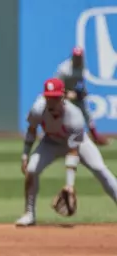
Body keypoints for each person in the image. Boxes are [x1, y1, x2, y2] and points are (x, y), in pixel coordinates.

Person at [16, 77, 117, 227]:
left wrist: (69, 185)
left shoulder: (74, 115)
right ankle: (29, 214)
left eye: (55, 97)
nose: (51, 102)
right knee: (31, 170)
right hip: (50, 142)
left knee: (100, 169)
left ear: (62, 97)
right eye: (48, 98)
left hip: (80, 144)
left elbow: (73, 151)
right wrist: (25, 154)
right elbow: (31, 131)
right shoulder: (38, 109)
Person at [54, 46, 110, 146]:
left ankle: (95, 137)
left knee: (87, 113)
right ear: (72, 57)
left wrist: (82, 91)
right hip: (62, 96)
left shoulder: (82, 65)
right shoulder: (64, 69)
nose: (78, 59)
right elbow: (56, 87)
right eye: (76, 57)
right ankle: (53, 137)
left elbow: (80, 81)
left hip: (75, 94)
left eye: (79, 57)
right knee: (62, 116)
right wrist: (67, 94)